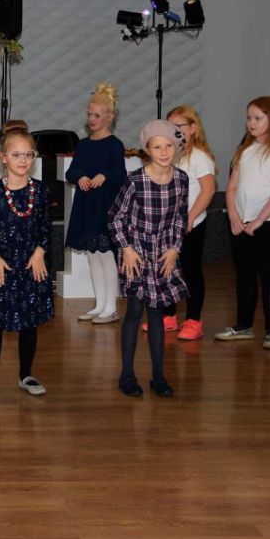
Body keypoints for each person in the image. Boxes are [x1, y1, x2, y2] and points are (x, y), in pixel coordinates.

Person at [0, 122, 53, 397]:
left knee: (29, 322)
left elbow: (45, 227)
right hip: (0, 267)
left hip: (29, 265)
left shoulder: (40, 191)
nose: (23, 160)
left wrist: (40, 251)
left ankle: (26, 374)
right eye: (16, 154)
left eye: (28, 154)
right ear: (3, 157)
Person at [109, 120, 188, 398]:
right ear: (147, 150)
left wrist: (175, 248)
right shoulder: (135, 180)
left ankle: (158, 376)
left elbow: (181, 217)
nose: (164, 152)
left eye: (168, 146)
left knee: (157, 313)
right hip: (137, 253)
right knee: (134, 311)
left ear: (176, 147)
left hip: (164, 253)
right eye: (157, 147)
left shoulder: (181, 179)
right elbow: (115, 217)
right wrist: (127, 249)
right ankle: (127, 375)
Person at [214, 97, 270, 350]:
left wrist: (260, 219)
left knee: (269, 275)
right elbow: (231, 187)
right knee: (244, 275)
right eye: (249, 117)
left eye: (258, 118)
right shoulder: (244, 150)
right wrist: (234, 216)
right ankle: (243, 325)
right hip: (242, 222)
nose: (252, 122)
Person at [64, 82, 126, 324]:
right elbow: (72, 171)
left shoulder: (114, 145)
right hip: (86, 205)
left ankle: (111, 307)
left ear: (110, 118)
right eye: (89, 114)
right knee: (93, 256)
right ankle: (100, 303)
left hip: (105, 207)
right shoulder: (84, 144)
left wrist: (105, 176)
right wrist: (80, 176)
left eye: (97, 115)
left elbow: (120, 174)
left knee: (106, 255)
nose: (91, 119)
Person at [155, 105, 216, 341]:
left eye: (178, 127)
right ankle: (168, 315)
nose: (173, 132)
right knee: (166, 270)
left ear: (192, 128)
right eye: (169, 127)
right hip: (168, 224)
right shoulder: (171, 156)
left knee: (190, 271)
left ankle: (193, 320)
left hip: (191, 224)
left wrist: (190, 217)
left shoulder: (199, 157)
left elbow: (208, 191)